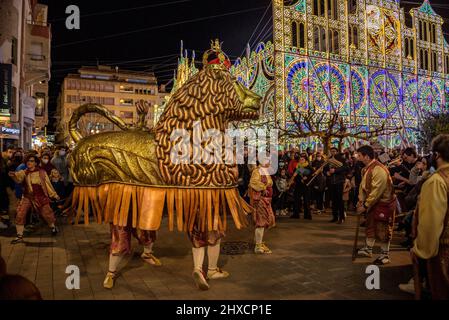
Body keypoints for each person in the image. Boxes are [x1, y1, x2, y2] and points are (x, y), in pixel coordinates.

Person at [411, 134, 449, 300]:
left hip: (443, 249)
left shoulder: (437, 181)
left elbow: (431, 223)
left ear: (437, 155)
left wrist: (421, 250)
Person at [356, 145, 397, 265]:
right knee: (371, 226)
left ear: (366, 157)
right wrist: (360, 200)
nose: (357, 158)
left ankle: (385, 255)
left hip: (384, 204)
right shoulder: (366, 169)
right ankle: (368, 249)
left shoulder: (379, 169)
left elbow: (376, 191)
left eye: (359, 156)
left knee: (383, 229)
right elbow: (363, 187)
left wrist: (365, 205)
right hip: (373, 203)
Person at [8, 154, 60, 244]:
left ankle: (53, 227)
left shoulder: (42, 172)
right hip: (27, 197)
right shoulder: (24, 172)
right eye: (28, 161)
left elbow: (47, 185)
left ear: (35, 163)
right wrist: (13, 175)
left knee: (47, 214)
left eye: (31, 161)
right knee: (20, 213)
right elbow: (18, 178)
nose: (29, 162)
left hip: (41, 197)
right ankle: (19, 236)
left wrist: (54, 195)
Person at [249, 162, 275, 254]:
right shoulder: (257, 171)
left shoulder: (265, 171)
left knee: (264, 222)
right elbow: (253, 182)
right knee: (261, 222)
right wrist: (263, 188)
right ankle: (258, 246)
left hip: (266, 200)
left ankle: (258, 242)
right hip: (260, 200)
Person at [324, 147, 349, 224]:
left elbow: (346, 168)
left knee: (339, 200)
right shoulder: (329, 160)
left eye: (334, 151)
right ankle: (334, 217)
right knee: (333, 201)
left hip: (339, 181)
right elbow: (324, 169)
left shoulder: (341, 159)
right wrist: (326, 173)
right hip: (331, 182)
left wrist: (335, 170)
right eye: (331, 151)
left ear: (337, 152)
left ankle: (341, 217)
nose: (333, 153)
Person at [289, 155, 313, 219]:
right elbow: (294, 176)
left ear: (305, 160)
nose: (301, 160)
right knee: (296, 200)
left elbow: (312, 176)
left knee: (306, 200)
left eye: (302, 159)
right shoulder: (297, 167)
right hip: (298, 185)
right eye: (300, 159)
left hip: (306, 186)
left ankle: (307, 215)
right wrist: (299, 180)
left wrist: (307, 178)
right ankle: (296, 214)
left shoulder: (309, 167)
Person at [0, 145, 15, 229]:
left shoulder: (4, 162)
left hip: (3, 186)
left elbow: (4, 174)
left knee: (4, 204)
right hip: (3, 186)